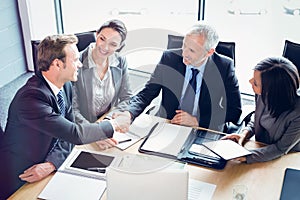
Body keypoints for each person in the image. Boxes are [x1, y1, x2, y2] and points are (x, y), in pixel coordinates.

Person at [0, 34, 130, 199]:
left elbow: (69, 130)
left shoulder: (65, 85)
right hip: (20, 176)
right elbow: (74, 133)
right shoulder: (31, 98)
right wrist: (115, 124)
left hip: (46, 166)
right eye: (75, 60)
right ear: (57, 64)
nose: (80, 64)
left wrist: (52, 163)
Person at [128, 22, 242, 131]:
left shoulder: (224, 67)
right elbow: (147, 93)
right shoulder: (169, 59)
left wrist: (197, 121)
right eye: (184, 45)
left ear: (209, 52)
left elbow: (234, 111)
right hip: (169, 123)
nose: (184, 53)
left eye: (192, 50)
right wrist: (129, 113)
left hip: (203, 128)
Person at [223, 57, 300, 163]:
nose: (250, 82)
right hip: (261, 148)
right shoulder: (262, 94)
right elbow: (257, 119)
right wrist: (244, 134)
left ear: (272, 91)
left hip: (287, 157)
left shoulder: (297, 114)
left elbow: (280, 148)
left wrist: (247, 157)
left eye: (255, 83)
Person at [73, 19, 132, 149]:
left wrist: (107, 123)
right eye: (102, 39)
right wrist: (96, 132)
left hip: (108, 127)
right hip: (82, 129)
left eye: (113, 44)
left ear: (119, 47)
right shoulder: (76, 63)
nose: (105, 47)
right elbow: (72, 109)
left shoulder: (120, 61)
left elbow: (126, 97)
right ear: (96, 34)